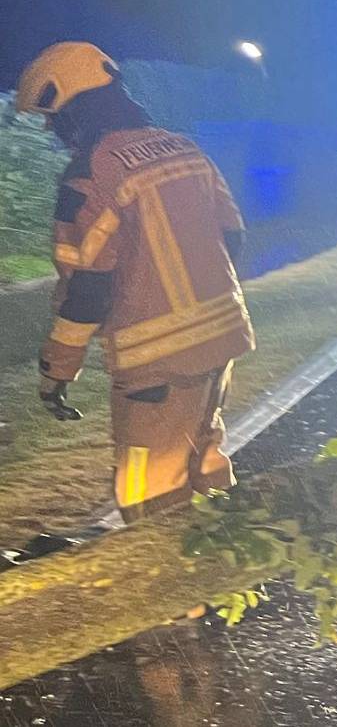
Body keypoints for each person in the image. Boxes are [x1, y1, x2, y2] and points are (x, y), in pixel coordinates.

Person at [15, 42, 254, 523]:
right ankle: (230, 585)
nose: (53, 130)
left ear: (74, 110)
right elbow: (233, 237)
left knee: (151, 503)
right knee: (205, 472)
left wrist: (58, 371)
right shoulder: (185, 150)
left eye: (54, 117)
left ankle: (177, 599)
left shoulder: (90, 175)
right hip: (222, 344)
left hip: (155, 366)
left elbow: (87, 290)